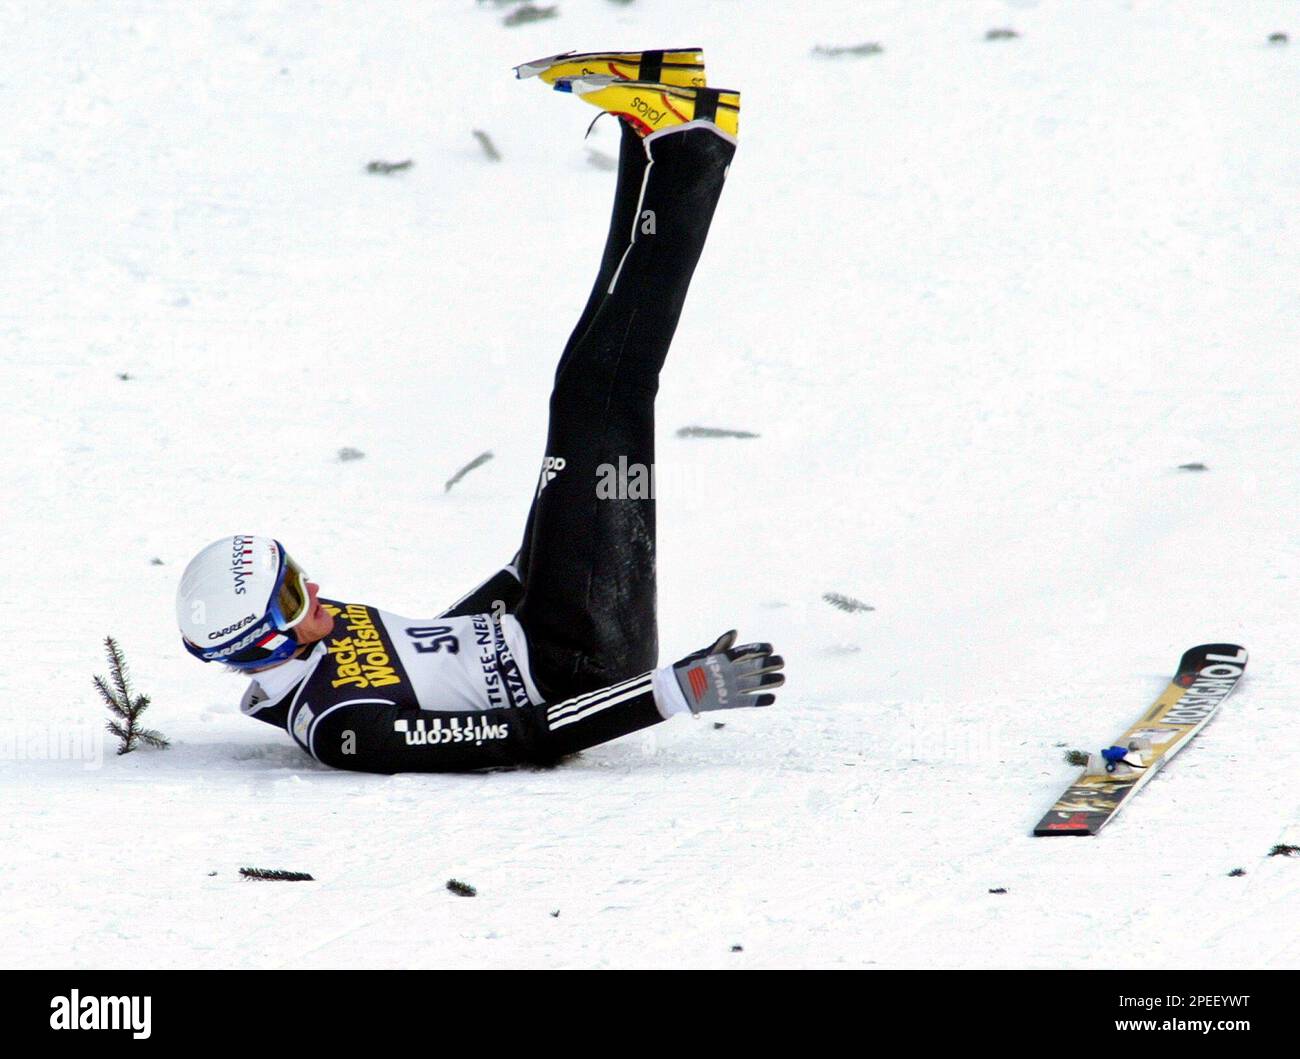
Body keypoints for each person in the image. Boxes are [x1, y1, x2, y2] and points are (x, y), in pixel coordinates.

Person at [174, 50, 784, 774]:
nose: (316, 588)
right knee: (601, 387)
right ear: (266, 641)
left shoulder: (325, 634)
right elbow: (525, 735)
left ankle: (650, 127)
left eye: (298, 569)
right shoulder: (341, 725)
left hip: (544, 611)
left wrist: (539, 544)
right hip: (582, 662)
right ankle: (691, 146)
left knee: (587, 379)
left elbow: (445, 638)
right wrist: (672, 691)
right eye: (295, 592)